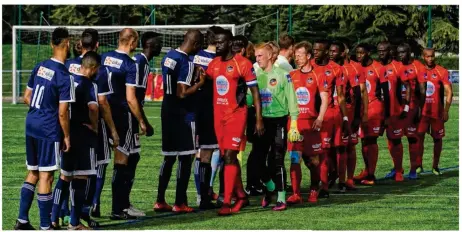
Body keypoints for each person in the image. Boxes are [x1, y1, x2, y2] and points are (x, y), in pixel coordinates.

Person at [15, 27, 75, 230]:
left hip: (31, 123)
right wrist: (67, 136)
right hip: (48, 128)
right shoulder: (64, 76)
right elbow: (62, 112)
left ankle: (22, 220)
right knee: (46, 176)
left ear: (52, 44)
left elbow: (26, 97)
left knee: (32, 172)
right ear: (67, 44)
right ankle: (45, 226)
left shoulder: (40, 66)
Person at [206, 28, 264, 216]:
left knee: (230, 156)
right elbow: (205, 82)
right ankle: (241, 195)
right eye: (215, 42)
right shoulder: (213, 64)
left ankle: (227, 202)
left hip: (236, 116)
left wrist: (258, 119)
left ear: (230, 43)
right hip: (218, 117)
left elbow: (255, 92)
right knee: (226, 158)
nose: (217, 46)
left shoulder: (243, 64)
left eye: (221, 42)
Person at [154, 29, 204, 213]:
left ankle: (160, 200)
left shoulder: (169, 56)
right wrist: (199, 83)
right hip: (183, 114)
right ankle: (180, 202)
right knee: (185, 157)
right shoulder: (186, 61)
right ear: (196, 45)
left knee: (168, 157)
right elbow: (182, 92)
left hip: (167, 111)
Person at [101, 28, 147, 220]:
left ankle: (116, 205)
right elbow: (131, 98)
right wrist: (142, 121)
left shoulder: (104, 57)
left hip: (104, 113)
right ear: (133, 42)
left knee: (121, 158)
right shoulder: (130, 64)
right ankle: (118, 208)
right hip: (122, 115)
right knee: (122, 160)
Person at [252, 41, 299, 211]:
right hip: (261, 122)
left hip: (279, 122)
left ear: (270, 56)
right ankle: (270, 187)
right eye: (256, 56)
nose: (257, 59)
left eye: (260, 56)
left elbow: (292, 99)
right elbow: (252, 99)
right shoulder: (256, 75)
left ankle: (281, 197)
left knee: (277, 160)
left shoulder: (283, 75)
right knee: (256, 161)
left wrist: (293, 124)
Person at [58, 51, 100, 230]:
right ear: (92, 68)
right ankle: (74, 223)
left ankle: (54, 218)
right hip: (82, 133)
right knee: (81, 177)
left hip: (66, 130)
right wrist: (95, 125)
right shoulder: (89, 84)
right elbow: (93, 108)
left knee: (64, 176)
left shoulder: (69, 79)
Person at [286, 41, 328, 204]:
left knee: (313, 161)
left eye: (300, 55)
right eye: (295, 55)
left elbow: (325, 98)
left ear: (308, 56)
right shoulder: (292, 75)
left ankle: (313, 191)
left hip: (312, 124)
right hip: (295, 124)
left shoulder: (318, 74)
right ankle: (296, 194)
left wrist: (320, 118)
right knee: (295, 158)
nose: (297, 58)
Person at [129, 31, 162, 214]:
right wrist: (142, 122)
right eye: (158, 43)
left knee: (131, 158)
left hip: (131, 116)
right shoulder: (140, 63)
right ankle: (122, 204)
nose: (160, 46)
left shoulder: (143, 62)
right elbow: (134, 96)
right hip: (130, 118)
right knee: (129, 159)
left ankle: (120, 203)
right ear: (150, 45)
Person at [312, 39, 350, 196]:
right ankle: (324, 185)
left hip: (332, 114)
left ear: (326, 51)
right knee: (322, 151)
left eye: (318, 50)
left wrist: (346, 118)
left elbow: (341, 95)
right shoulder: (309, 66)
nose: (315, 52)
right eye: (314, 49)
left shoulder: (336, 69)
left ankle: (341, 181)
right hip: (313, 114)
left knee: (338, 149)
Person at [329, 42, 368, 190]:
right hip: (330, 112)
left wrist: (359, 116)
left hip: (349, 111)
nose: (331, 54)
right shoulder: (326, 67)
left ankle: (348, 180)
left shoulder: (353, 68)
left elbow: (359, 93)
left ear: (343, 52)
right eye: (330, 51)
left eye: (334, 51)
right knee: (331, 148)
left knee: (348, 146)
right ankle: (334, 176)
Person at [190, 26, 221, 209]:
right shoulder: (217, 60)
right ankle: (204, 195)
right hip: (210, 110)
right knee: (208, 154)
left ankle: (201, 195)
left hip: (193, 110)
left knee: (198, 154)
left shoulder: (195, 55)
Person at [417, 48, 453, 175]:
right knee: (419, 138)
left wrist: (446, 110)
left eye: (432, 56)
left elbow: (449, 91)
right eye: (427, 56)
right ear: (423, 57)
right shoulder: (419, 70)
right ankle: (418, 165)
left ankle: (435, 166)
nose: (430, 59)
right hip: (423, 112)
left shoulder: (441, 71)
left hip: (437, 113)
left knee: (437, 139)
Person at [353, 43, 384, 185]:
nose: (359, 56)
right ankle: (367, 170)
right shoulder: (355, 67)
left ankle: (371, 175)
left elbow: (386, 93)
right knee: (363, 140)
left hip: (374, 109)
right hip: (359, 109)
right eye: (357, 53)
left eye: (362, 53)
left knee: (371, 140)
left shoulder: (378, 68)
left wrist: (386, 115)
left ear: (369, 53)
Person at [377, 41, 407, 182]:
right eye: (379, 50)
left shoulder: (398, 67)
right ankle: (369, 171)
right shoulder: (375, 67)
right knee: (369, 140)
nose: (381, 53)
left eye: (383, 50)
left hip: (394, 111)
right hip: (376, 111)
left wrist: (405, 108)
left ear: (390, 51)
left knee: (395, 140)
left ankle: (399, 169)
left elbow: (409, 88)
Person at [396, 43, 426, 179]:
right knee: (394, 138)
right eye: (399, 53)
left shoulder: (418, 66)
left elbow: (423, 90)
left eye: (403, 52)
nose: (400, 55)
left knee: (411, 138)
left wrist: (420, 108)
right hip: (396, 107)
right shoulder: (396, 65)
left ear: (409, 52)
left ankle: (413, 169)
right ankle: (397, 169)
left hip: (412, 106)